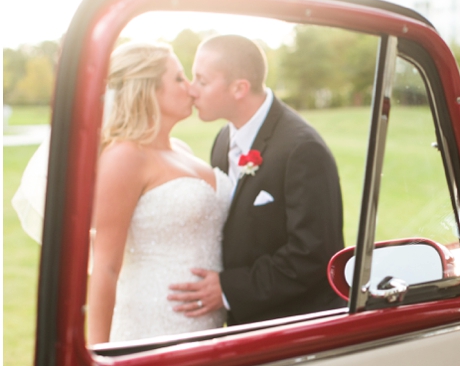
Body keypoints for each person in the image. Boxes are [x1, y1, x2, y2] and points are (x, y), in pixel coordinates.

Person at [167, 35, 345, 325]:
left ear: (239, 88)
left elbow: (313, 256)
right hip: (243, 326)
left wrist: (228, 288)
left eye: (202, 80)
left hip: (293, 329)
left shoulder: (303, 149)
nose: (192, 89)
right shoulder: (224, 139)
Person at [87, 42, 232, 345]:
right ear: (147, 89)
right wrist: (98, 355)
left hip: (206, 327)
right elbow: (106, 266)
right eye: (179, 78)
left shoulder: (182, 149)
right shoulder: (124, 157)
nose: (191, 88)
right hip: (154, 326)